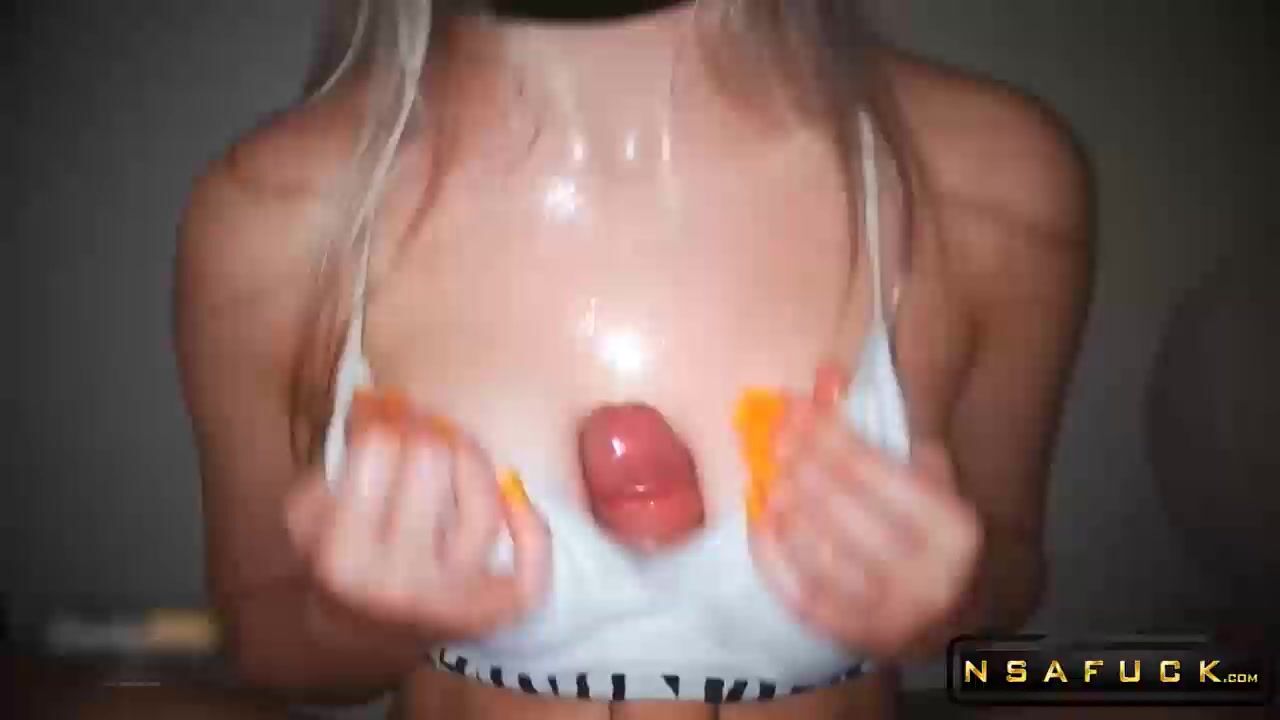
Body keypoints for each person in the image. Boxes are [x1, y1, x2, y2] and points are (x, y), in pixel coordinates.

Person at [174, 1, 1093, 718]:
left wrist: (957, 599)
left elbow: (1012, 572)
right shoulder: (263, 222)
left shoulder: (998, 180)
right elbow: (258, 637)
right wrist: (354, 626)